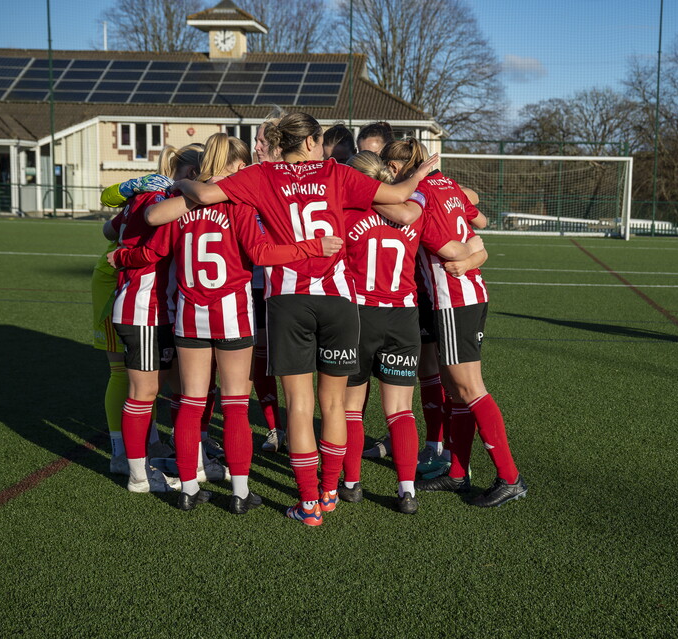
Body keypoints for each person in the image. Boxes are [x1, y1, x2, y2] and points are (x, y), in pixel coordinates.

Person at [148, 112, 439, 525]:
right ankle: (331, 490)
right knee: (335, 404)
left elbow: (206, 194)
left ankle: (307, 505)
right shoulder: (335, 172)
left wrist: (181, 182)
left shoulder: (261, 176)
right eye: (319, 141)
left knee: (299, 406)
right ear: (310, 143)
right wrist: (423, 173)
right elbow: (400, 197)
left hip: (288, 301)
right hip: (338, 300)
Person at [119, 133, 343, 512]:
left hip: (190, 314)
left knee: (190, 402)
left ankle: (189, 488)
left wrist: (123, 256)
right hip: (232, 313)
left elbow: (153, 237)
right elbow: (262, 252)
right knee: (236, 405)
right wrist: (310, 248)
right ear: (237, 165)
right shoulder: (238, 201)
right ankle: (240, 492)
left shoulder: (184, 204)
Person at [381, 139, 528, 508]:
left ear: (398, 169)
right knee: (455, 388)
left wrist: (468, 257)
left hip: (454, 299)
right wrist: (476, 254)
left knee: (470, 388)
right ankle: (458, 473)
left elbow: (450, 249)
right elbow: (479, 220)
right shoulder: (445, 184)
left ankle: (510, 477)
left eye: (388, 169)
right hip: (472, 294)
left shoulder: (422, 197)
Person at [340, 149, 481, 514]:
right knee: (401, 410)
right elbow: (455, 241)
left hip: (359, 315)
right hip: (403, 317)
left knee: (351, 409)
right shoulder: (415, 213)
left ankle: (351, 483)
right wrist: (475, 253)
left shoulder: (347, 211)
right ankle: (406, 491)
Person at [104, 144, 204, 495]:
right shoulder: (161, 202)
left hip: (158, 309)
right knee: (143, 393)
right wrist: (125, 255)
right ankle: (138, 476)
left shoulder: (155, 196)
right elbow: (156, 248)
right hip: (143, 308)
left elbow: (109, 227)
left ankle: (156, 460)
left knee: (162, 390)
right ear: (193, 175)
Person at [252, 116, 288, 454]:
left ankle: (297, 425)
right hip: (256, 286)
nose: (257, 146)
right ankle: (276, 429)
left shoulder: (297, 182)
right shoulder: (251, 179)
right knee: (260, 361)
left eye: (263, 141)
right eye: (256, 140)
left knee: (295, 364)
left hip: (291, 289)